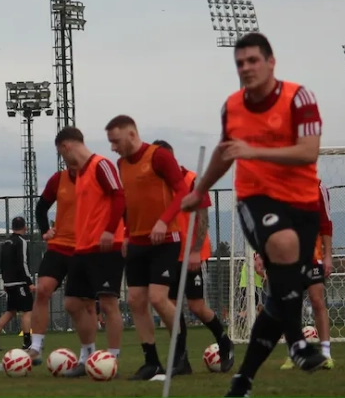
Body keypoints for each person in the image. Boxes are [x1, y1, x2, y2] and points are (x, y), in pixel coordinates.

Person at [182, 32, 328, 397]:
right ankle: (297, 343)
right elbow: (226, 151)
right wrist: (199, 190)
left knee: (280, 300)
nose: (246, 68)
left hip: (302, 204)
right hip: (255, 199)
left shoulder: (299, 98)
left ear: (271, 62)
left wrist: (253, 150)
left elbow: (308, 152)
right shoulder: (232, 107)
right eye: (240, 63)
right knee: (282, 242)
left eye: (252, 61)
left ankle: (242, 380)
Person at [104, 117, 189, 380]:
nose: (113, 148)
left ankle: (180, 355)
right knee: (135, 300)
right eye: (110, 143)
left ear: (131, 134)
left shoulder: (159, 156)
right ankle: (151, 362)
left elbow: (182, 191)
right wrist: (126, 234)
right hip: (137, 242)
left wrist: (164, 221)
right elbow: (128, 202)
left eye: (116, 141)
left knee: (158, 298)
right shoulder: (121, 164)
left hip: (166, 240)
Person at [153, 139, 236, 373]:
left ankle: (224, 342)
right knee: (170, 307)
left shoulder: (191, 180)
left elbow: (203, 216)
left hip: (191, 253)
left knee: (197, 306)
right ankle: (181, 359)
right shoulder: (156, 184)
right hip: (168, 252)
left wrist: (196, 251)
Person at [54, 126, 126, 378]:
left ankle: (111, 360)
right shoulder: (81, 174)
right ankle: (88, 357)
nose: (64, 160)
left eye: (62, 154)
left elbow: (119, 196)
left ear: (66, 147)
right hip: (83, 248)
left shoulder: (101, 165)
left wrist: (109, 230)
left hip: (105, 246)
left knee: (108, 303)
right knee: (73, 303)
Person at [27, 166, 98, 365]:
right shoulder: (59, 179)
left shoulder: (95, 178)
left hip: (85, 248)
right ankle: (36, 348)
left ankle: (88, 353)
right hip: (58, 246)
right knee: (42, 290)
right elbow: (41, 207)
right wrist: (45, 231)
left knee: (86, 304)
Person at [282, 180, 334, 369]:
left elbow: (326, 224)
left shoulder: (318, 187)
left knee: (317, 300)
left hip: (313, 255)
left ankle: (325, 353)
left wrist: (328, 255)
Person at [0, 216, 35, 351]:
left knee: (10, 311)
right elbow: (23, 263)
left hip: (9, 283)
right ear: (25, 227)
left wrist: (5, 281)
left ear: (12, 227)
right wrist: (29, 282)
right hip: (20, 282)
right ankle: (27, 342)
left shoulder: (6, 242)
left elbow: (2, 263)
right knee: (27, 311)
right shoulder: (22, 242)